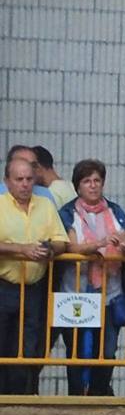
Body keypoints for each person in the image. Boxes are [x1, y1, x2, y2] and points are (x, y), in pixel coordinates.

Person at [55, 160, 125, 396]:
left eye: (97, 180)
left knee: (108, 350)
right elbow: (69, 247)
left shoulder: (116, 211)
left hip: (110, 292)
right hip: (75, 292)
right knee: (76, 350)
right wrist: (98, 245)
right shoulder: (67, 212)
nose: (92, 186)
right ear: (77, 185)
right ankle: (77, 396)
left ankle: (100, 394)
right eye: (87, 181)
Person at [0, 157, 68, 394]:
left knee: (28, 345)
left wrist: (48, 250)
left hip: (34, 287)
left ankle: (21, 398)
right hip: (4, 285)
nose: (25, 184)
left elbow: (62, 241)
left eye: (29, 179)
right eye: (19, 179)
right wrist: (21, 249)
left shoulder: (46, 205)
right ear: (7, 181)